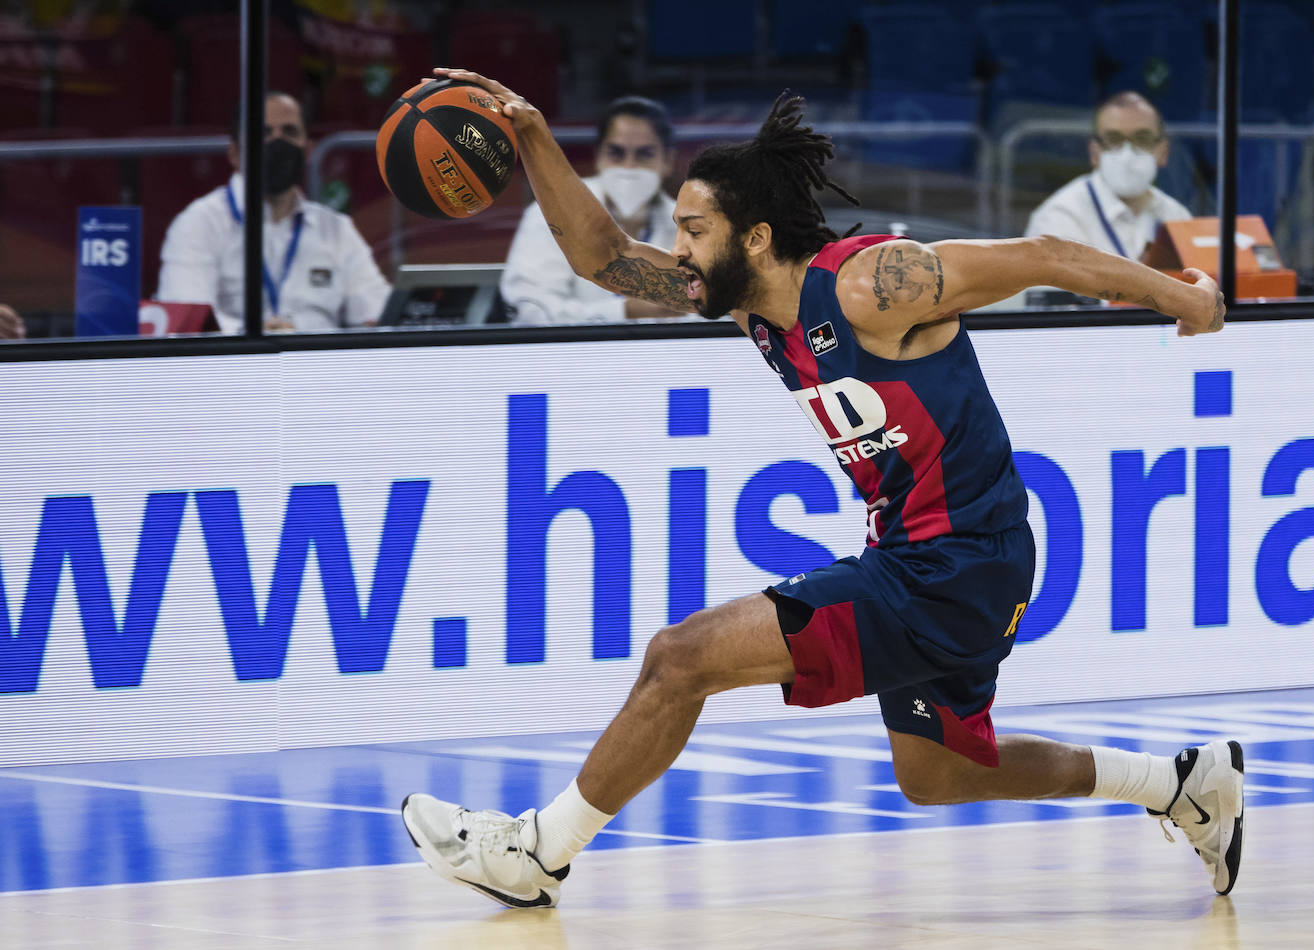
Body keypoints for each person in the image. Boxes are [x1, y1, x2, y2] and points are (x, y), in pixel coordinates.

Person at [400, 68, 1239, 910]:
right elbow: (605, 258)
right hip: (938, 561)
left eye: (693, 230)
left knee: (679, 657)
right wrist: (535, 136)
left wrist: (1186, 298)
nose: (680, 250)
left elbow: (1044, 257)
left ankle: (537, 852)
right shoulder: (748, 307)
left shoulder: (872, 284)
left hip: (953, 563)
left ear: (756, 238)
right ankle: (1179, 785)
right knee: (938, 775)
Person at [155, 91, 391, 334]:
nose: (277, 143)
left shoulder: (337, 229)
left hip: (319, 363)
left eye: (289, 132)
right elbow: (185, 321)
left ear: (308, 150)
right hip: (233, 363)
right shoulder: (199, 223)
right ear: (235, 153)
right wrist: (252, 332)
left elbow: (378, 314)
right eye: (263, 133)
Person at [500, 95, 689, 325]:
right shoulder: (548, 212)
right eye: (617, 153)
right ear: (598, 155)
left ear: (668, 160)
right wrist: (626, 311)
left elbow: (711, 314)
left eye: (644, 154)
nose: (629, 167)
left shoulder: (689, 227)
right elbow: (529, 313)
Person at [1025, 91, 1191, 262]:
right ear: (1094, 152)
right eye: (1114, 139)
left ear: (1163, 151)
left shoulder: (1177, 216)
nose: (1127, 154)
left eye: (1142, 139)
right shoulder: (1059, 217)